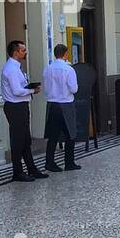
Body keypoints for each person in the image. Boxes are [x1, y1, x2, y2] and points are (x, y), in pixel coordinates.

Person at [1, 40, 47, 183]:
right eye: (23, 50)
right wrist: (33, 90)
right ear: (16, 52)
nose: (25, 52)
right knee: (18, 141)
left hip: (20, 106)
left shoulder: (17, 67)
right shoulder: (11, 69)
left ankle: (31, 168)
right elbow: (16, 91)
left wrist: (29, 88)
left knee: (25, 140)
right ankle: (17, 172)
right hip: (15, 107)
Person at [41, 43, 80, 173]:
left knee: (53, 135)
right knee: (70, 134)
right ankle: (69, 162)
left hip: (52, 104)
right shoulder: (69, 69)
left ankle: (49, 162)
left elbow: (45, 89)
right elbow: (74, 88)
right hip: (65, 104)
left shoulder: (48, 68)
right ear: (65, 54)